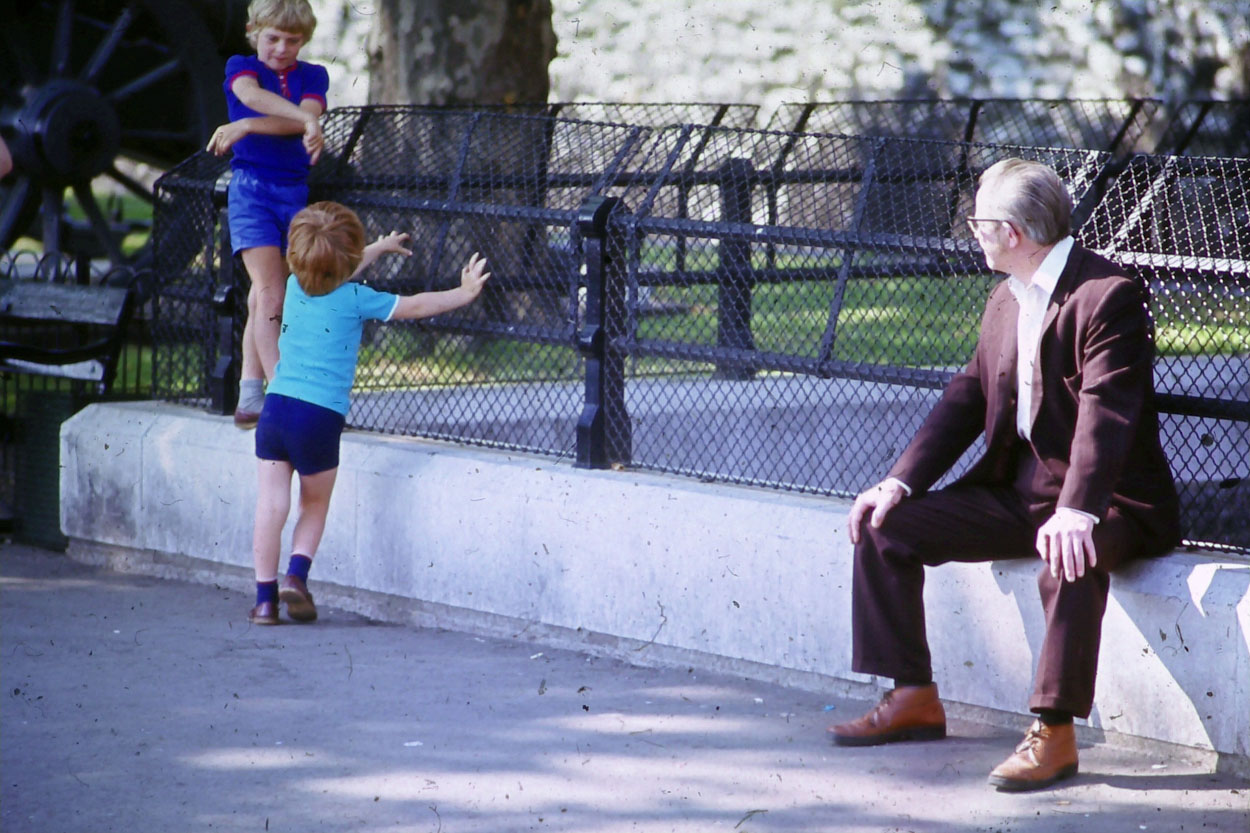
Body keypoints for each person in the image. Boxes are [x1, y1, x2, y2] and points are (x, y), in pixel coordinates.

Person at [828, 158, 1181, 791]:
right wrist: (899, 481)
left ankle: (1054, 732)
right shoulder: (1007, 295)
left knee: (1068, 561)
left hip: (1111, 502)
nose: (973, 233)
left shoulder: (1107, 295)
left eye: (979, 223)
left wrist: (1078, 511)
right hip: (1020, 495)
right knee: (886, 527)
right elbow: (967, 394)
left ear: (1011, 232)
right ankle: (911, 695)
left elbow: (1108, 412)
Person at [248, 201, 490, 625]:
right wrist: (464, 293)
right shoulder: (357, 298)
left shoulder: (293, 286)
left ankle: (264, 600)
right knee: (314, 503)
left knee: (271, 504)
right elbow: (415, 305)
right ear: (348, 260)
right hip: (319, 418)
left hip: (276, 409)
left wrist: (377, 248)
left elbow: (327, 269)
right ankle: (297, 577)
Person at [206, 0, 328, 429]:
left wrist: (247, 126)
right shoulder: (242, 66)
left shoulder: (313, 75)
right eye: (272, 37)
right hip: (252, 191)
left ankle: (250, 396)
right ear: (253, 31)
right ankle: (282, 392)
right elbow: (250, 97)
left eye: (292, 40)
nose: (280, 48)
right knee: (271, 291)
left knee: (265, 296)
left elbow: (300, 120)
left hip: (292, 191)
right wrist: (306, 123)